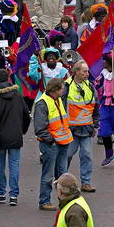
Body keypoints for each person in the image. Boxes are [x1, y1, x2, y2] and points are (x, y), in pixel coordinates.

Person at [0, 69, 30, 206]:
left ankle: (0, 193)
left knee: (0, 165)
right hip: (15, 134)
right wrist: (22, 130)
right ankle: (13, 195)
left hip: (0, 136)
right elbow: (26, 115)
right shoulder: (17, 95)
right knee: (14, 164)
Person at [34, 78, 71, 211]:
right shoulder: (42, 103)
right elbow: (39, 128)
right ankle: (44, 201)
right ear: (55, 90)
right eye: (61, 89)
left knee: (62, 174)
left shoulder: (57, 99)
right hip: (51, 144)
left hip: (62, 142)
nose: (63, 91)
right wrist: (51, 141)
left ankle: (64, 200)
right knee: (48, 175)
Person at [62, 61, 98, 191]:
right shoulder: (66, 86)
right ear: (76, 72)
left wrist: (95, 124)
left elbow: (96, 105)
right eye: (84, 71)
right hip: (71, 129)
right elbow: (61, 105)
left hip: (87, 128)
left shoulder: (90, 86)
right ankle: (62, 181)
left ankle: (86, 183)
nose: (87, 74)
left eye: (87, 71)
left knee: (87, 156)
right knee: (67, 156)